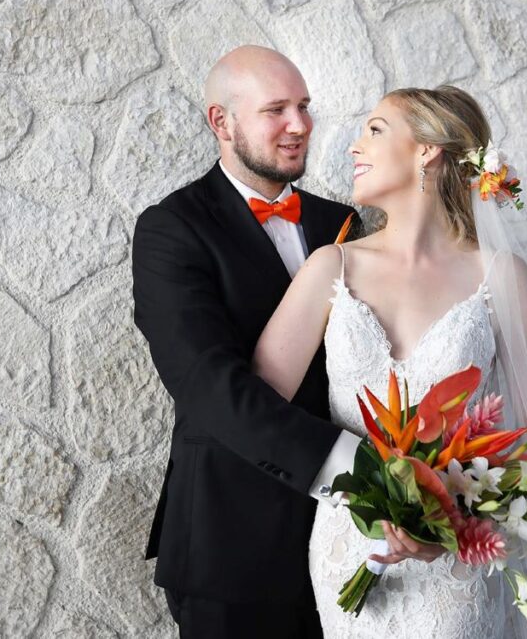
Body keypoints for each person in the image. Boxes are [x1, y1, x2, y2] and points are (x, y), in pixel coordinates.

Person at [251, 86, 527, 637]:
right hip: (348, 548)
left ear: (427, 151)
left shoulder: (501, 276)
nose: (353, 145)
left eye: (374, 129)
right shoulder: (332, 267)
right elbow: (257, 410)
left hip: (453, 560)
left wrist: (450, 523)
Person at [132, 45, 428, 638]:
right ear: (222, 122)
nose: (300, 125)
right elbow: (211, 388)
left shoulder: (342, 221)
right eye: (276, 110)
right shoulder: (171, 229)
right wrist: (364, 473)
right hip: (232, 547)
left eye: (304, 106)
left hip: (355, 546)